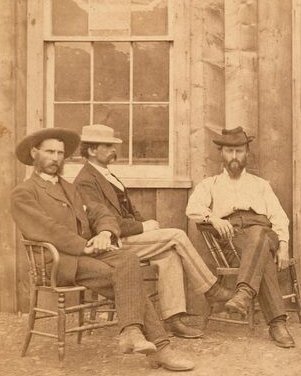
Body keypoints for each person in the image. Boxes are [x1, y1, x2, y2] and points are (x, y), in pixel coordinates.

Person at [11, 128, 194, 371]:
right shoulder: (24, 193)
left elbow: (99, 212)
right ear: (35, 153)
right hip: (58, 261)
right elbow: (48, 229)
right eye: (49, 152)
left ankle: (132, 331)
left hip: (86, 252)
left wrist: (106, 232)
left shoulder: (69, 187)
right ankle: (160, 347)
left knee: (127, 260)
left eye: (60, 153)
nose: (55, 158)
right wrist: (84, 245)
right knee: (125, 279)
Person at [74, 124, 232, 339]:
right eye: (108, 146)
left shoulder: (107, 174)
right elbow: (100, 221)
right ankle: (210, 289)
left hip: (130, 236)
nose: (113, 149)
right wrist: (142, 227)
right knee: (176, 235)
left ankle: (173, 319)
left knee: (169, 255)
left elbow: (129, 210)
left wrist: (144, 222)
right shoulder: (85, 181)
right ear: (92, 150)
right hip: (111, 244)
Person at [185, 127, 295, 348]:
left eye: (239, 151)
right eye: (229, 151)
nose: (234, 157)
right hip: (232, 238)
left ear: (247, 153)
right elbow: (192, 208)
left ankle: (243, 294)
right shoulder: (211, 184)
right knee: (261, 254)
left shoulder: (260, 185)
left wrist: (283, 245)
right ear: (221, 154)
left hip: (262, 229)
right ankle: (277, 323)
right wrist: (213, 218)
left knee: (260, 235)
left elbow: (279, 216)